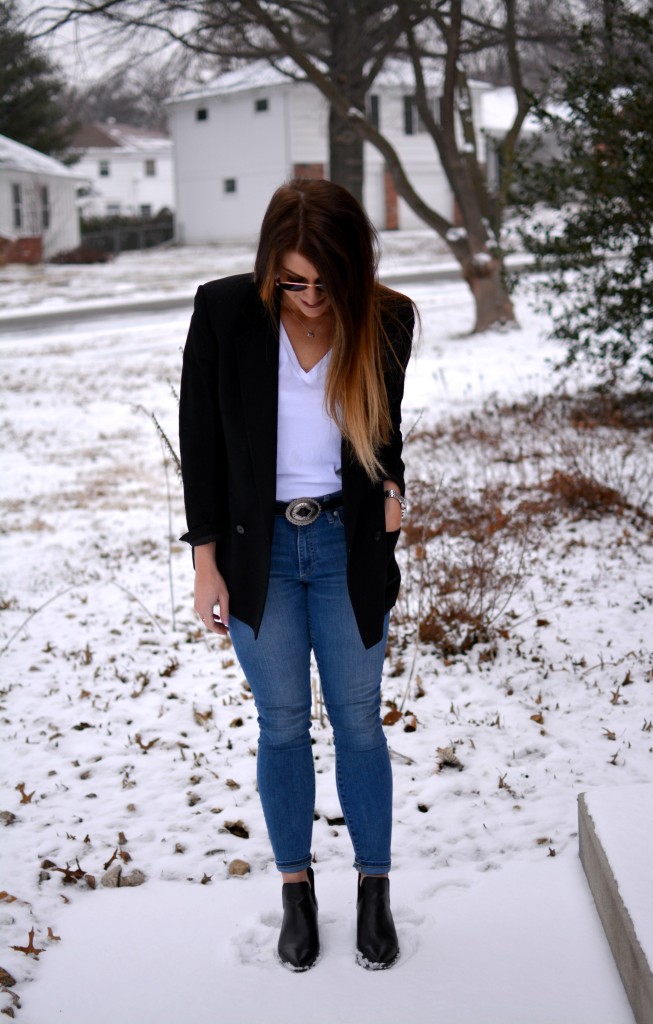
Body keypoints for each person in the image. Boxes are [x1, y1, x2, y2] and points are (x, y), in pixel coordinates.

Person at [179, 178, 415, 972]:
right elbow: (201, 448)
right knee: (281, 725)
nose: (311, 299)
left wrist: (391, 490)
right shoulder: (223, 313)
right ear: (268, 269)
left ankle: (374, 890)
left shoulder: (385, 318)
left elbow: (387, 435)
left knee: (357, 723)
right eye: (293, 282)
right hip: (261, 554)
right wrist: (205, 563)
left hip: (348, 547)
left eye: (326, 282)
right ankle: (295, 889)